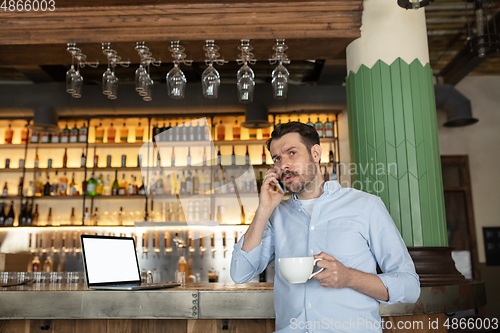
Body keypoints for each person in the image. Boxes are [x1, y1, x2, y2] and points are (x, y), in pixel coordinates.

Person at [230, 122, 420, 333]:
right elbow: (240, 273)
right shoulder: (276, 215)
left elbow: (410, 286)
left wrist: (349, 277)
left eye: (291, 153)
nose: (283, 165)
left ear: (316, 153)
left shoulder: (366, 206)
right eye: (277, 158)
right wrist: (264, 209)